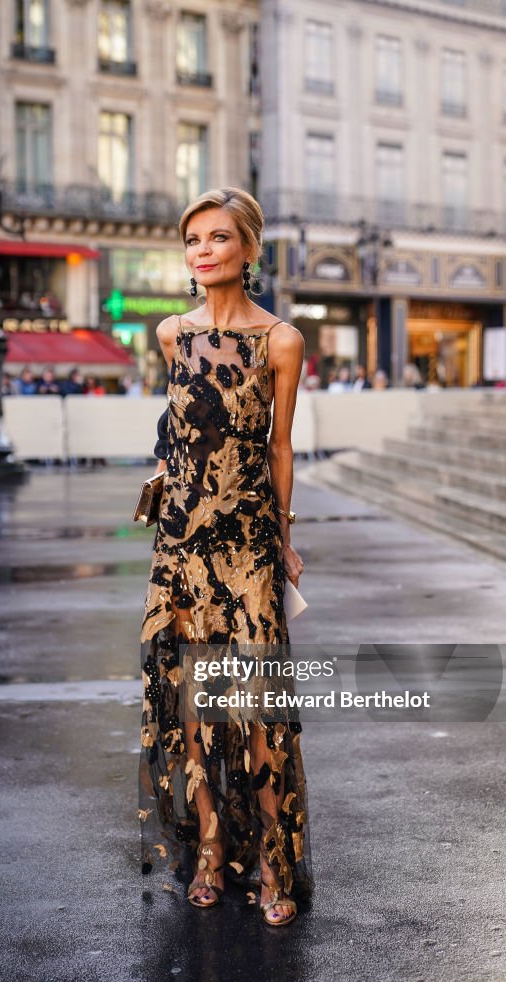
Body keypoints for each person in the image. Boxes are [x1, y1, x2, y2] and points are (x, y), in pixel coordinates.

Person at [138, 186, 314, 927]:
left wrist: (283, 534)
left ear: (247, 248)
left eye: (216, 237)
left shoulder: (281, 340)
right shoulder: (170, 334)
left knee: (259, 713)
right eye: (192, 240)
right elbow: (176, 437)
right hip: (179, 544)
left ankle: (274, 865)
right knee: (192, 710)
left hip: (244, 545)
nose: (202, 250)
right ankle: (209, 853)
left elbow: (279, 447)